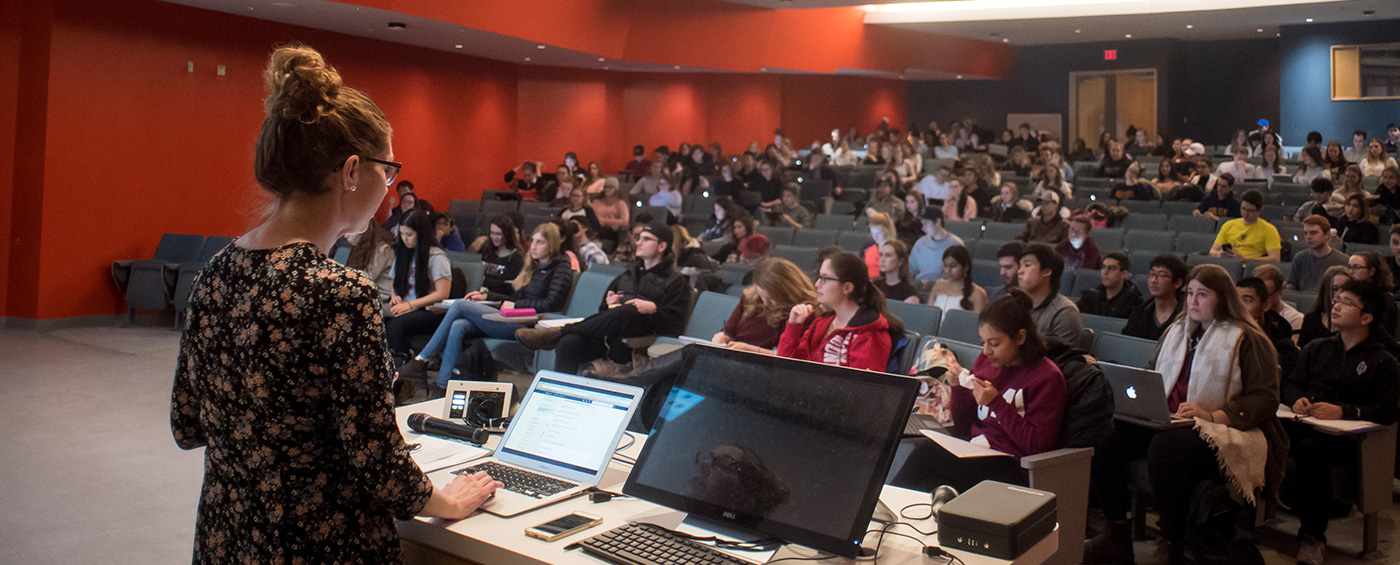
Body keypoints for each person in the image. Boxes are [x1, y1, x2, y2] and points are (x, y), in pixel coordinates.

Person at [171, 45, 500, 564]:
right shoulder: (339, 293)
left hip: (226, 540)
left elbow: (187, 426)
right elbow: (382, 469)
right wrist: (449, 500)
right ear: (351, 170)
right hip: (320, 546)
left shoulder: (214, 274)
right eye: (386, 172)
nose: (389, 191)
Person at [1084, 264, 1284, 565]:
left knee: (1167, 448)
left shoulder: (1247, 338)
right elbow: (1152, 375)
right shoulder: (1177, 332)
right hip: (1169, 418)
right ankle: (1117, 533)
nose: (1192, 301)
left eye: (1202, 294)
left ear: (1222, 298)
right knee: (1105, 435)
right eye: (1190, 293)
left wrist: (1216, 415)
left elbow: (1266, 398)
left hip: (1220, 427)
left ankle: (1173, 540)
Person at [890, 290, 1067, 493]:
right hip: (975, 452)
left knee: (927, 454)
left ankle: (874, 514)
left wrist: (997, 404)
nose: (986, 351)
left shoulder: (1047, 378)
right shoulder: (986, 362)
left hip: (1013, 467)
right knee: (929, 486)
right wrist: (957, 388)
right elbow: (964, 427)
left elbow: (1038, 448)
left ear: (1020, 337)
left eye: (995, 343)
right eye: (983, 342)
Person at [1282, 280, 1398, 565]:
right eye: (1337, 299)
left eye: (1347, 302)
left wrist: (1344, 411)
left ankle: (1312, 537)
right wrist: (1297, 399)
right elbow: (1292, 384)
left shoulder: (1383, 361)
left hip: (1349, 441)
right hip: (1306, 423)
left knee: (1310, 449)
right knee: (1261, 431)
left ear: (1366, 318)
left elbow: (1386, 411)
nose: (1336, 304)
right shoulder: (1317, 348)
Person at [398, 222, 573, 393]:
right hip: (513, 316)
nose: (533, 247)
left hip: (530, 327)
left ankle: (421, 360)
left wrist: (515, 305)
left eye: (540, 242)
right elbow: (515, 297)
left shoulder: (561, 268)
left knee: (460, 305)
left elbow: (551, 304)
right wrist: (489, 296)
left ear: (552, 245)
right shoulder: (534, 266)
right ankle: (443, 385)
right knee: (459, 325)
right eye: (533, 241)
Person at [516, 219, 690, 375]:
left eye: (646, 239)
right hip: (607, 338)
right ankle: (560, 393)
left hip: (635, 345)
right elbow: (602, 312)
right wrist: (609, 305)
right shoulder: (627, 275)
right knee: (568, 344)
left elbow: (674, 325)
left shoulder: (676, 281)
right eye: (639, 238)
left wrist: (653, 310)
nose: (638, 243)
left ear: (661, 246)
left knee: (629, 311)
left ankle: (558, 332)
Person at [777, 252, 902, 371]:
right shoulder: (821, 323)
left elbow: (862, 387)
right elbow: (787, 368)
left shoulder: (870, 333)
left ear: (847, 287)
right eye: (819, 277)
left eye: (825, 278)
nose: (817, 284)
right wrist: (793, 327)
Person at [384, 210, 453, 360]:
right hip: (405, 305)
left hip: (430, 311)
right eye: (402, 234)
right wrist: (395, 296)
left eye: (409, 235)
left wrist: (410, 305)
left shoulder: (437, 257)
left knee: (396, 326)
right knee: (378, 319)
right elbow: (393, 280)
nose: (404, 239)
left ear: (421, 233)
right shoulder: (403, 252)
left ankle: (403, 367)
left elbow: (442, 293)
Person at [1017, 244, 1083, 346]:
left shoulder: (1064, 313)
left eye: (1027, 265)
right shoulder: (1015, 304)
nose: (1019, 271)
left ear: (1046, 271)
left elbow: (1062, 357)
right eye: (1020, 266)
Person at [1237, 276, 1300, 379]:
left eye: (1247, 301)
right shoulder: (1225, 332)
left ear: (1266, 305)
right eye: (1236, 301)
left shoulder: (1281, 340)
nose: (1240, 308)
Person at [1122, 254, 1188, 341]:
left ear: (1177, 283)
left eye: (1161, 275)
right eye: (1152, 274)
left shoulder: (1185, 318)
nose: (1153, 280)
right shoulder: (1140, 313)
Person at [1210, 189, 1281, 260]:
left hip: (1252, 267)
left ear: (1259, 211)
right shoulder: (1228, 225)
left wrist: (1244, 259)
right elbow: (1212, 251)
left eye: (1251, 211)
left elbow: (1275, 258)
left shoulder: (1269, 229)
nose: (1245, 214)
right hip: (1229, 263)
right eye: (1243, 209)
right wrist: (1221, 254)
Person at [1289, 214, 1350, 293]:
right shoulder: (1300, 258)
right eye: (1305, 233)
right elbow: (1292, 285)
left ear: (1327, 235)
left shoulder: (1342, 261)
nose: (1308, 237)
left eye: (1313, 233)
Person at [345, 219, 395, 312]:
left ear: (362, 231)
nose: (345, 235)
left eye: (349, 231)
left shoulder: (383, 251)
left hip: (380, 301)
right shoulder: (358, 249)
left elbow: (367, 280)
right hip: (365, 296)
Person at [927, 245, 988, 318]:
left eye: (953, 266)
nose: (948, 270)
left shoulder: (977, 293)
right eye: (945, 266)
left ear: (965, 267)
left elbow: (979, 325)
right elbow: (929, 315)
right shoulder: (938, 285)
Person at [1298, 266, 1352, 348]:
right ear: (1326, 291)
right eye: (1335, 289)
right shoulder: (1311, 319)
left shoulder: (1355, 323)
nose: (1340, 294)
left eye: (1345, 289)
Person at [1078, 252, 1142, 319]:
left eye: (1111, 268)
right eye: (1103, 267)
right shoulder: (1090, 297)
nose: (1105, 272)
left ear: (1123, 274)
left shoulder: (1134, 303)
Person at [910, 207, 965, 282]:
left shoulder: (955, 244)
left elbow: (959, 274)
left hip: (944, 286)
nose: (923, 228)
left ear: (937, 222)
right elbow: (911, 270)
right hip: (921, 286)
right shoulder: (920, 243)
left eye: (925, 224)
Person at [478, 215, 524, 295]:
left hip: (499, 297)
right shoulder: (487, 251)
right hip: (481, 293)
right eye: (492, 233)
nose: (494, 237)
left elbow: (506, 286)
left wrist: (486, 281)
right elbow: (477, 275)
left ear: (507, 234)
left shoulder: (516, 258)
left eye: (499, 234)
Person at [592, 177, 630, 244]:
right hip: (597, 228)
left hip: (612, 231)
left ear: (616, 189)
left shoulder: (621, 203)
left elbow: (625, 221)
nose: (607, 189)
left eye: (610, 187)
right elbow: (593, 216)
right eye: (605, 187)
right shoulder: (596, 202)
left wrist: (606, 222)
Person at [864, 212, 898, 278]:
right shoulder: (870, 249)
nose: (875, 237)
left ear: (887, 230)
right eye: (872, 233)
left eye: (879, 233)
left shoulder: (896, 249)